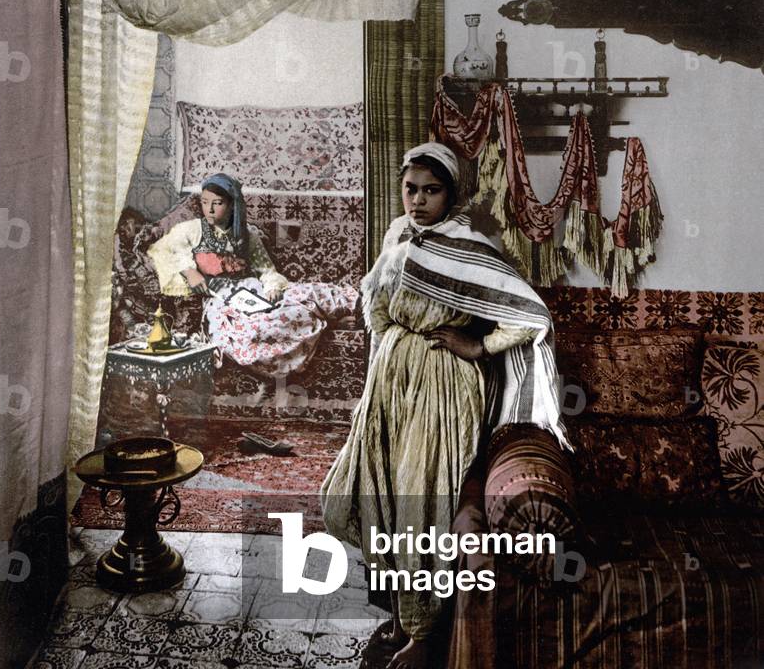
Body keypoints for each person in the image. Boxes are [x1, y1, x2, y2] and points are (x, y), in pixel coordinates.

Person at [321, 143, 567, 669]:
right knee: (381, 490)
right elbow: (377, 309)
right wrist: (394, 352)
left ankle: (426, 633)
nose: (418, 200)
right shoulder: (397, 238)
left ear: (450, 194)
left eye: (431, 190)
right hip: (394, 380)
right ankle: (399, 611)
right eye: (411, 189)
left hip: (444, 383)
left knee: (423, 501)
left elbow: (530, 316)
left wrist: (477, 346)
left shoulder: (469, 246)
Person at [147, 171, 358, 398]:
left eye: (217, 203)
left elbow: (266, 269)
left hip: (250, 288)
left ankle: (350, 310)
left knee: (302, 294)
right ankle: (326, 321)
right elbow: (167, 249)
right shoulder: (190, 229)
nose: (209, 209)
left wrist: (272, 288)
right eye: (205, 202)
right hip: (219, 300)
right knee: (255, 329)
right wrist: (190, 272)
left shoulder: (246, 235)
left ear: (231, 205)